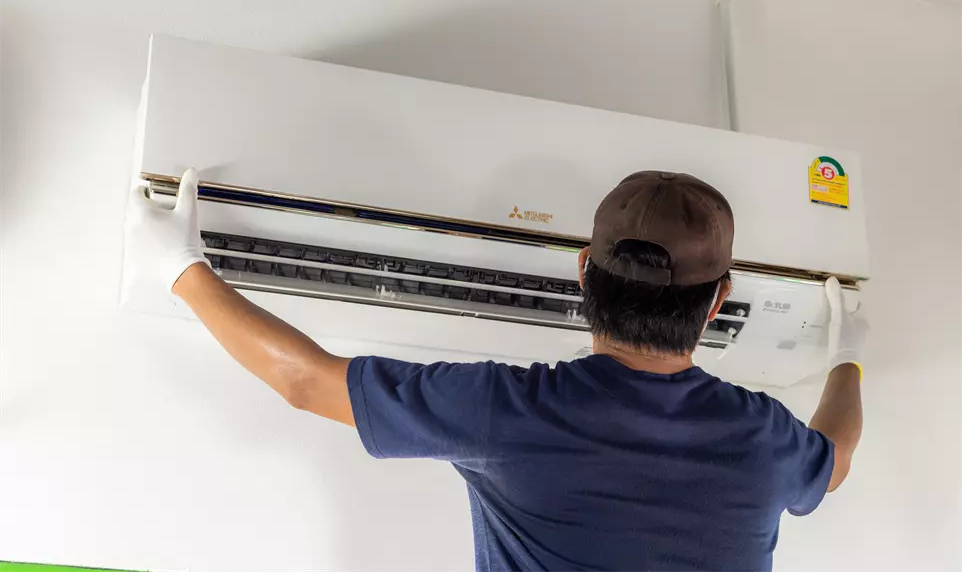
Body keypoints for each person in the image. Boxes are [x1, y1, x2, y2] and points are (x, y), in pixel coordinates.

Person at [126, 169, 864, 572]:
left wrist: (181, 267)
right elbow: (834, 460)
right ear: (718, 301)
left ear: (584, 271)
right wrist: (846, 357)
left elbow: (307, 381)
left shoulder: (510, 410)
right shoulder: (765, 438)